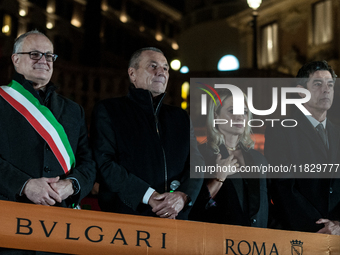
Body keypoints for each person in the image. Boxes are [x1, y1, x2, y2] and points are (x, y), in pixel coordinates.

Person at [91, 47, 203, 219]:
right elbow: (105, 163)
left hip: (176, 218)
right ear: (132, 73)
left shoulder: (181, 117)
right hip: (127, 216)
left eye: (165, 68)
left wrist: (182, 196)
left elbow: (196, 163)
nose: (161, 72)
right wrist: (149, 196)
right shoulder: (109, 110)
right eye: (153, 66)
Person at [0, 30, 96, 209]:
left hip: (60, 214)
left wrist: (72, 185)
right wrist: (24, 185)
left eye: (49, 56)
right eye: (34, 54)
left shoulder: (74, 110)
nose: (43, 60)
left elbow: (88, 163)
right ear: (16, 60)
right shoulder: (2, 99)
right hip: (7, 209)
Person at [265, 61, 340, 235]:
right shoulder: (280, 131)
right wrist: (319, 228)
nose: (326, 89)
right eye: (318, 84)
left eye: (330, 85)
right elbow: (283, 187)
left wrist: (337, 224)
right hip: (301, 234)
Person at [189, 89, 269, 228]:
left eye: (244, 112)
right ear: (216, 115)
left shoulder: (258, 159)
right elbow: (192, 206)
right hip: (218, 242)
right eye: (232, 110)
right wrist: (219, 177)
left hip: (257, 243)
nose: (239, 117)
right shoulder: (201, 155)